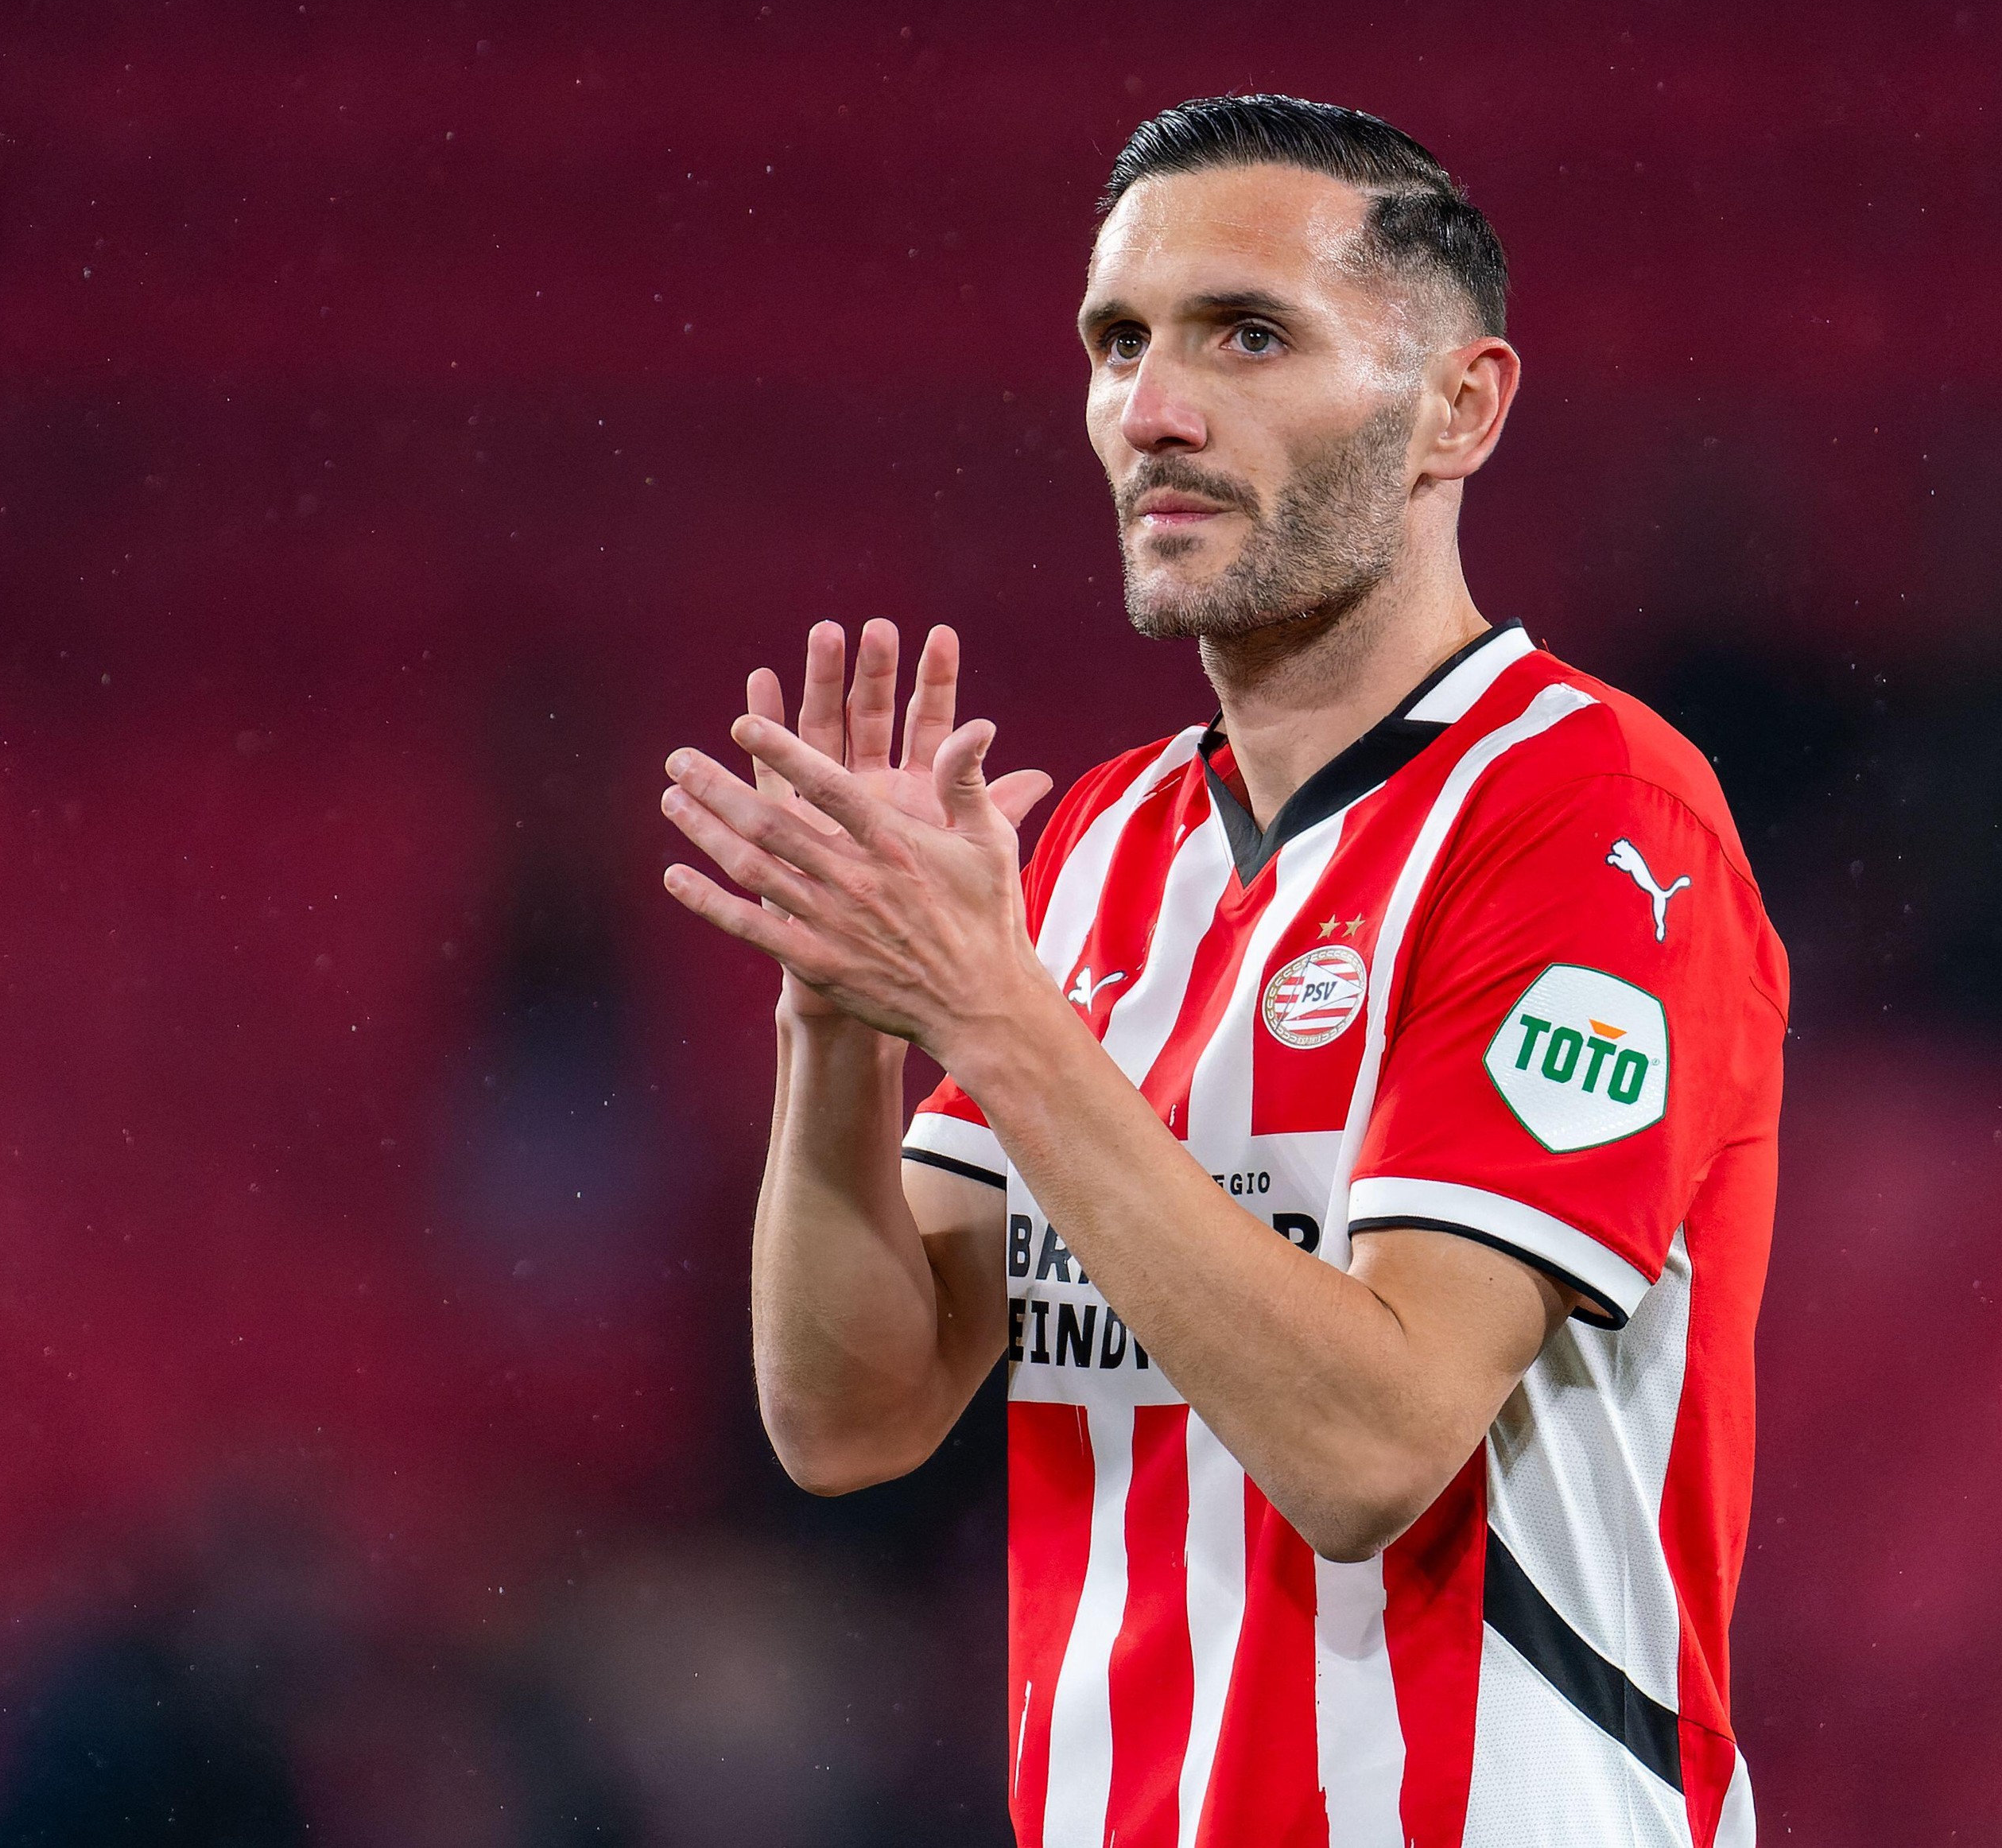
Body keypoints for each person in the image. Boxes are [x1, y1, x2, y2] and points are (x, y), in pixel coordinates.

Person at [658, 94, 1785, 1846]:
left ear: (1459, 408)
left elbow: (1368, 1449)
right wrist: (844, 1021)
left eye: (1246, 335)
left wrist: (989, 1011)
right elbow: (850, 1413)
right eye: (1120, 342)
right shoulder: (1103, 848)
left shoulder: (1591, 813)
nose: (1153, 411)